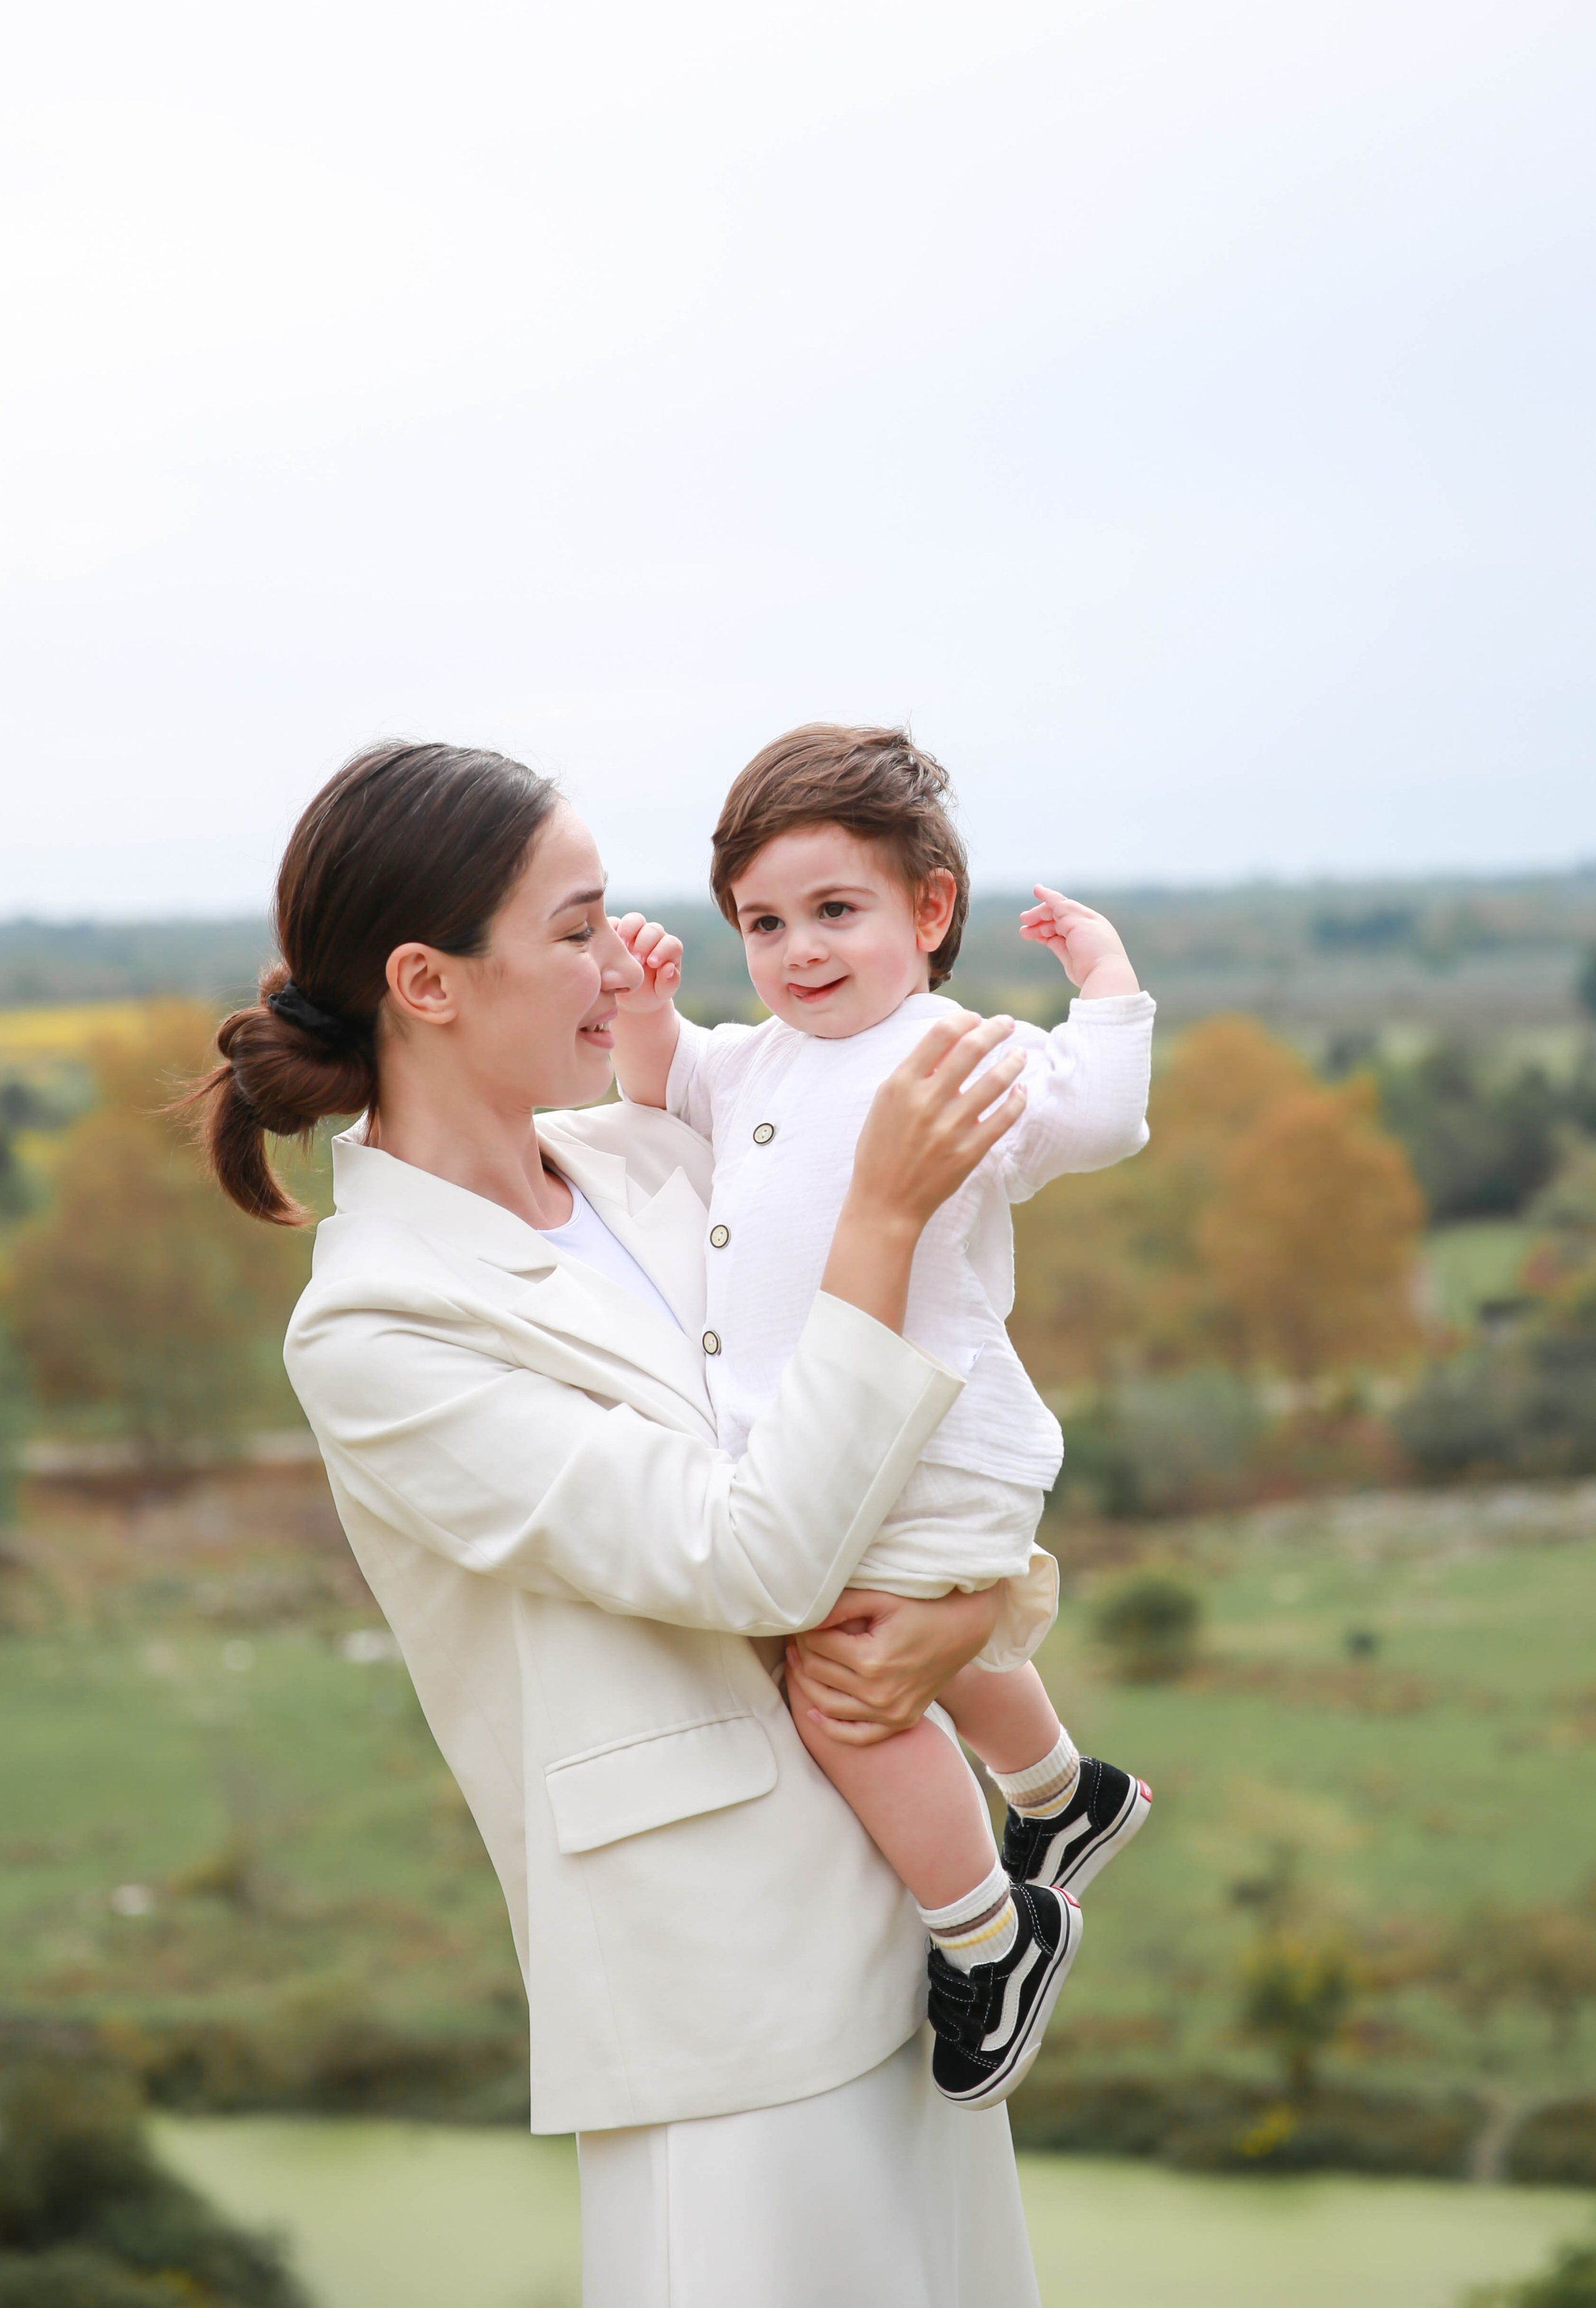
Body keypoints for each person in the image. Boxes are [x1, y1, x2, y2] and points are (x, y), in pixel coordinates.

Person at [191, 738, 1046, 2308]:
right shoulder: (377, 1331)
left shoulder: (642, 1153)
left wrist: (976, 1608)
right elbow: (747, 1555)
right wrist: (879, 1214)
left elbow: (881, 1455)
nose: (623, 961)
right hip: (718, 1996)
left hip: (914, 1942)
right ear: (428, 984)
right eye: (576, 928)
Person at [610, 723, 1156, 2108]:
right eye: (763, 923)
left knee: (849, 1692)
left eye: (835, 912)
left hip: (935, 1435)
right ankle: (1057, 1794)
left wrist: (1104, 986)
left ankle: (989, 1932)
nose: (799, 951)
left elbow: (1095, 1123)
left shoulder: (957, 1053)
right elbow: (661, 1094)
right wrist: (644, 1012)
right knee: (897, 1642)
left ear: (928, 910)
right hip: (825, 1442)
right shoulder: (752, 1064)